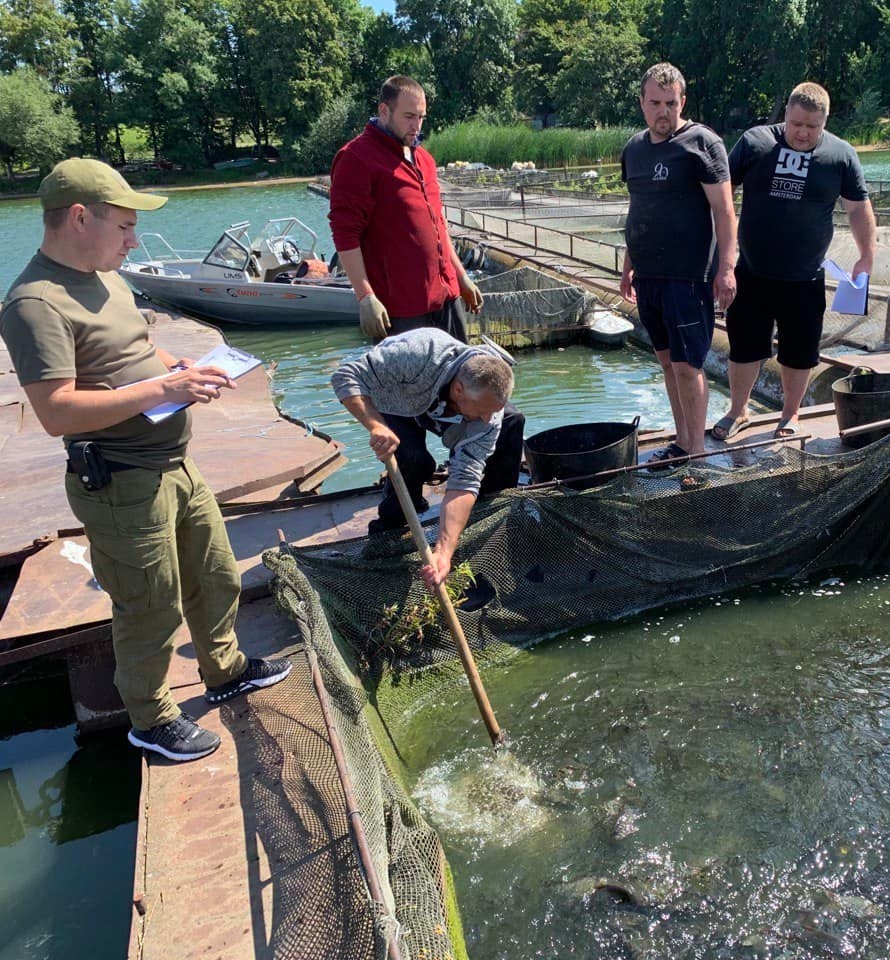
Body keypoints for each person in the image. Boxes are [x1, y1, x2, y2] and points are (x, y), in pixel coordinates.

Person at [0, 158, 291, 762]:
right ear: (80, 218)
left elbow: (136, 344)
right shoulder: (34, 304)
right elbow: (55, 410)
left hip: (173, 463)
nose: (135, 240)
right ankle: (151, 719)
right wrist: (165, 392)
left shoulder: (105, 276)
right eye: (125, 226)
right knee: (149, 603)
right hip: (121, 482)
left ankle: (226, 668)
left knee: (217, 574)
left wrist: (176, 370)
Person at [712, 82, 876, 441]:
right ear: (786, 113)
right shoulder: (755, 142)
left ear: (825, 122)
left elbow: (859, 209)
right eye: (796, 123)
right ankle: (738, 411)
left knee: (799, 354)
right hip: (752, 273)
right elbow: (721, 196)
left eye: (812, 127)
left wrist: (866, 257)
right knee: (743, 348)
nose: (802, 133)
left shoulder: (841, 156)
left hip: (805, 278)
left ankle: (790, 415)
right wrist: (719, 258)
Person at [331, 327, 522, 585]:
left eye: (492, 412)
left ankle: (485, 516)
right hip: (398, 399)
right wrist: (376, 425)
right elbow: (345, 376)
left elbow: (464, 480)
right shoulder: (416, 354)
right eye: (483, 411)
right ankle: (389, 530)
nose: (487, 419)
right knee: (411, 459)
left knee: (510, 422)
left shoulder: (489, 417)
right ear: (458, 390)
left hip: (449, 410)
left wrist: (444, 551)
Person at [619, 62, 738, 466]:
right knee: (667, 361)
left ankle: (699, 454)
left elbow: (724, 211)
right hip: (649, 274)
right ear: (642, 103)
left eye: (670, 103)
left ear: (682, 102)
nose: (662, 112)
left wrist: (727, 268)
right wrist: (628, 262)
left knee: (689, 365)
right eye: (655, 103)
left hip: (688, 277)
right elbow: (638, 208)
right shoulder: (633, 149)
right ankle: (684, 441)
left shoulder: (702, 143)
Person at [329, 75, 483, 342]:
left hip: (445, 298)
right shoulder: (356, 158)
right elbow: (345, 233)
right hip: (401, 310)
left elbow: (438, 226)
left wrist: (461, 277)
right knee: (410, 383)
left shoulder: (424, 158)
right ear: (384, 111)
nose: (417, 126)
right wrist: (365, 297)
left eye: (421, 117)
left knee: (460, 381)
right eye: (409, 116)